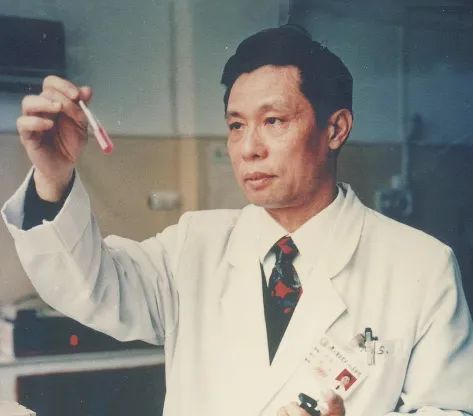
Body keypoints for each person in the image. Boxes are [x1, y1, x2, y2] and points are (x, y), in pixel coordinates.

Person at [2, 25, 473, 416]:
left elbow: (451, 409)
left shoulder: (421, 267)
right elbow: (89, 287)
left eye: (273, 121)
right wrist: (54, 175)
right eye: (236, 125)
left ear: (335, 129)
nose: (248, 148)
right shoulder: (194, 245)